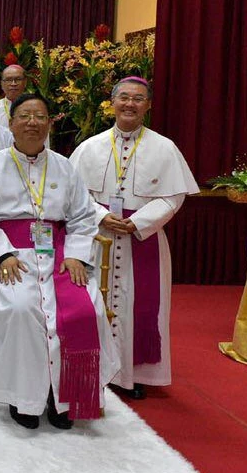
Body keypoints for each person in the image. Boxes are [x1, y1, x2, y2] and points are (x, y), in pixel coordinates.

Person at [0, 93, 121, 430]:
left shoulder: (65, 167)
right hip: (14, 258)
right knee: (21, 308)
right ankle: (24, 398)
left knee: (86, 309)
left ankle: (64, 396)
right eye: (25, 116)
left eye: (40, 116)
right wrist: (2, 251)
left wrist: (78, 255)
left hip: (60, 257)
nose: (32, 123)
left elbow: (82, 218)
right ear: (11, 124)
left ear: (50, 123)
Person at [69, 77, 198, 399]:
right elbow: (75, 195)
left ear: (148, 105)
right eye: (123, 97)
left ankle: (133, 373)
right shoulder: (90, 147)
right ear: (111, 102)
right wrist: (101, 216)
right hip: (100, 238)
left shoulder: (164, 148)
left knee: (138, 305)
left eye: (138, 99)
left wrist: (138, 221)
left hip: (144, 239)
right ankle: (94, 367)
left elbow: (173, 196)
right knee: (94, 301)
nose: (130, 104)